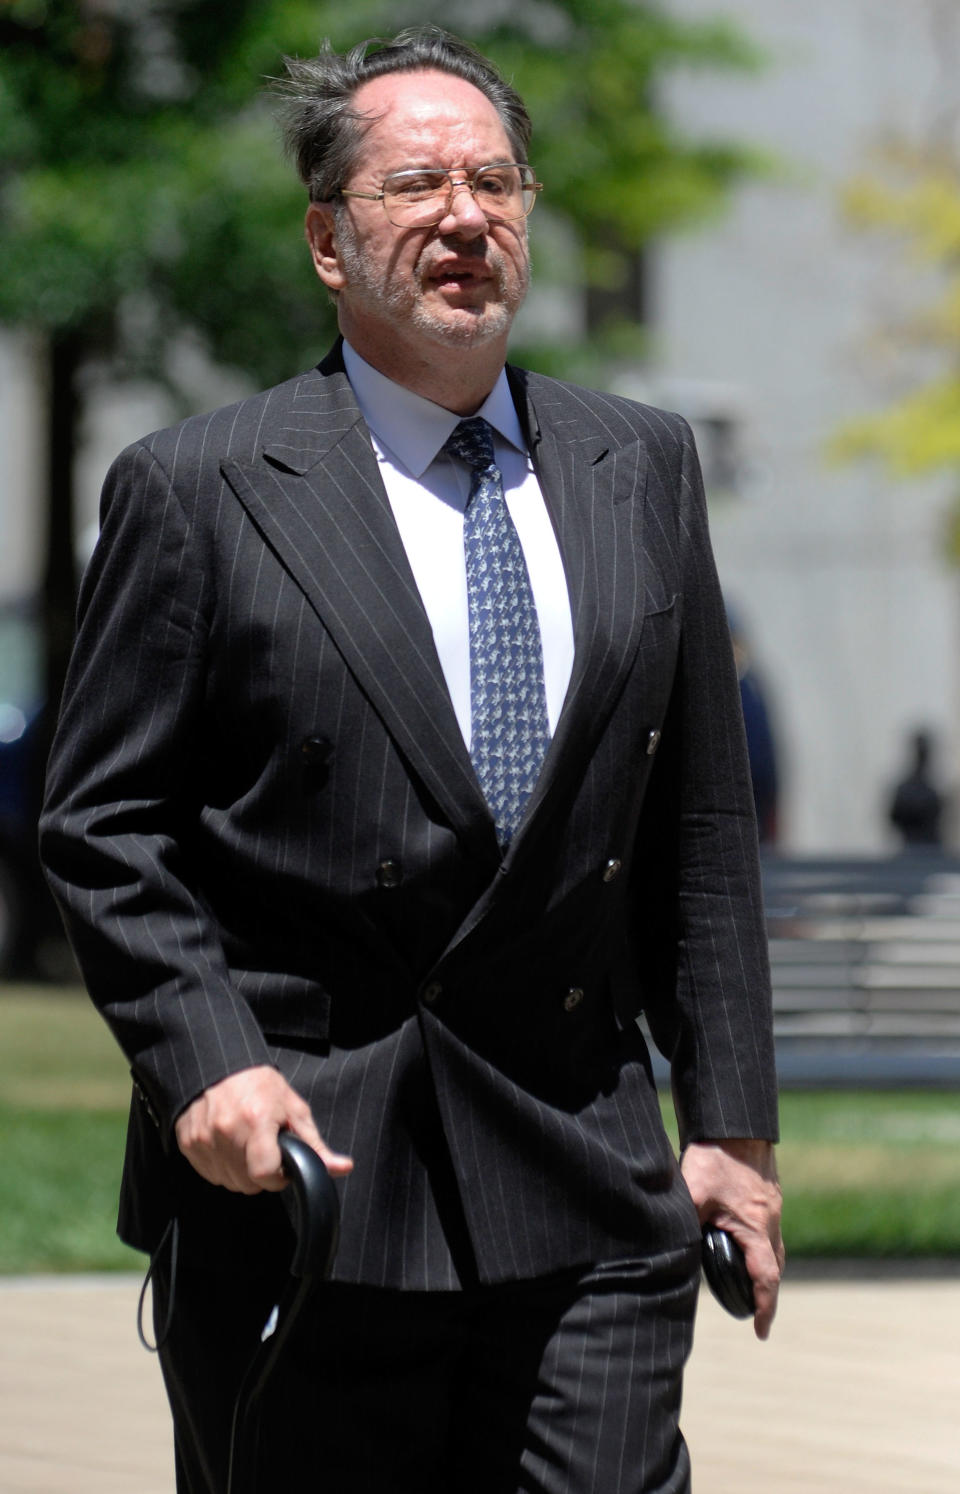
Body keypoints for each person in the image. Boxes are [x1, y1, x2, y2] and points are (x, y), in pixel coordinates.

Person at [40, 26, 783, 1494]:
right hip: (313, 1181)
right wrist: (207, 1062)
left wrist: (733, 1126)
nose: (465, 216)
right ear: (329, 240)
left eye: (496, 180)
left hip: (589, 1181)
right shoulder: (201, 487)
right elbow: (103, 821)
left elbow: (698, 817)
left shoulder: (640, 465)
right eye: (417, 183)